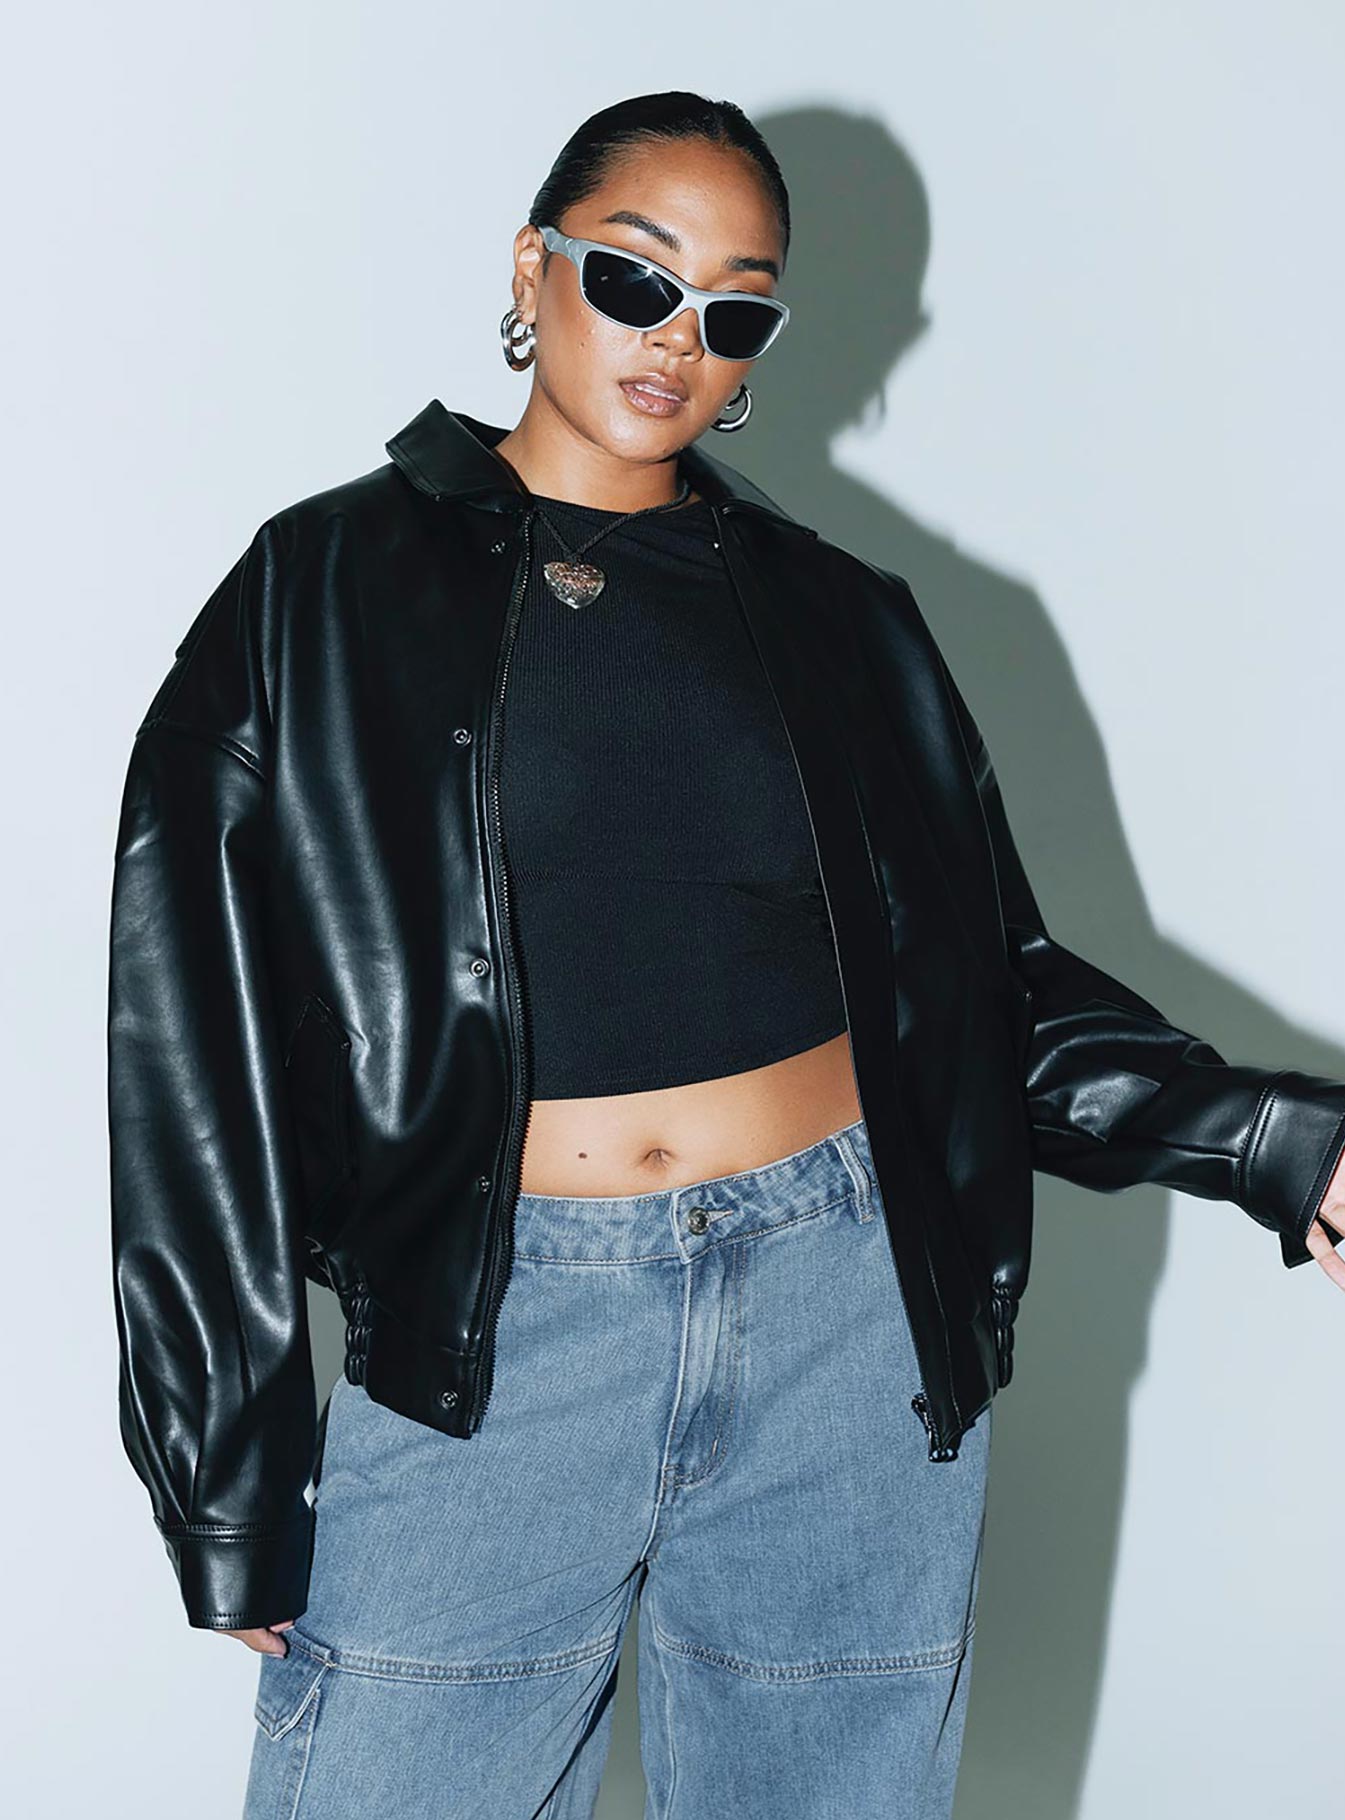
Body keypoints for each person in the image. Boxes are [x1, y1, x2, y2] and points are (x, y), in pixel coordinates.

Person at [107, 91, 1345, 1819]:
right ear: (531, 272)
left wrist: (1276, 1141)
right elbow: (189, 1037)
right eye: (635, 278)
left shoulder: (841, 618)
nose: (676, 337)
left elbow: (978, 995)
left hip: (844, 1315)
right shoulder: (314, 592)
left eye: (733, 309)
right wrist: (222, 1462)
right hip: (492, 1336)